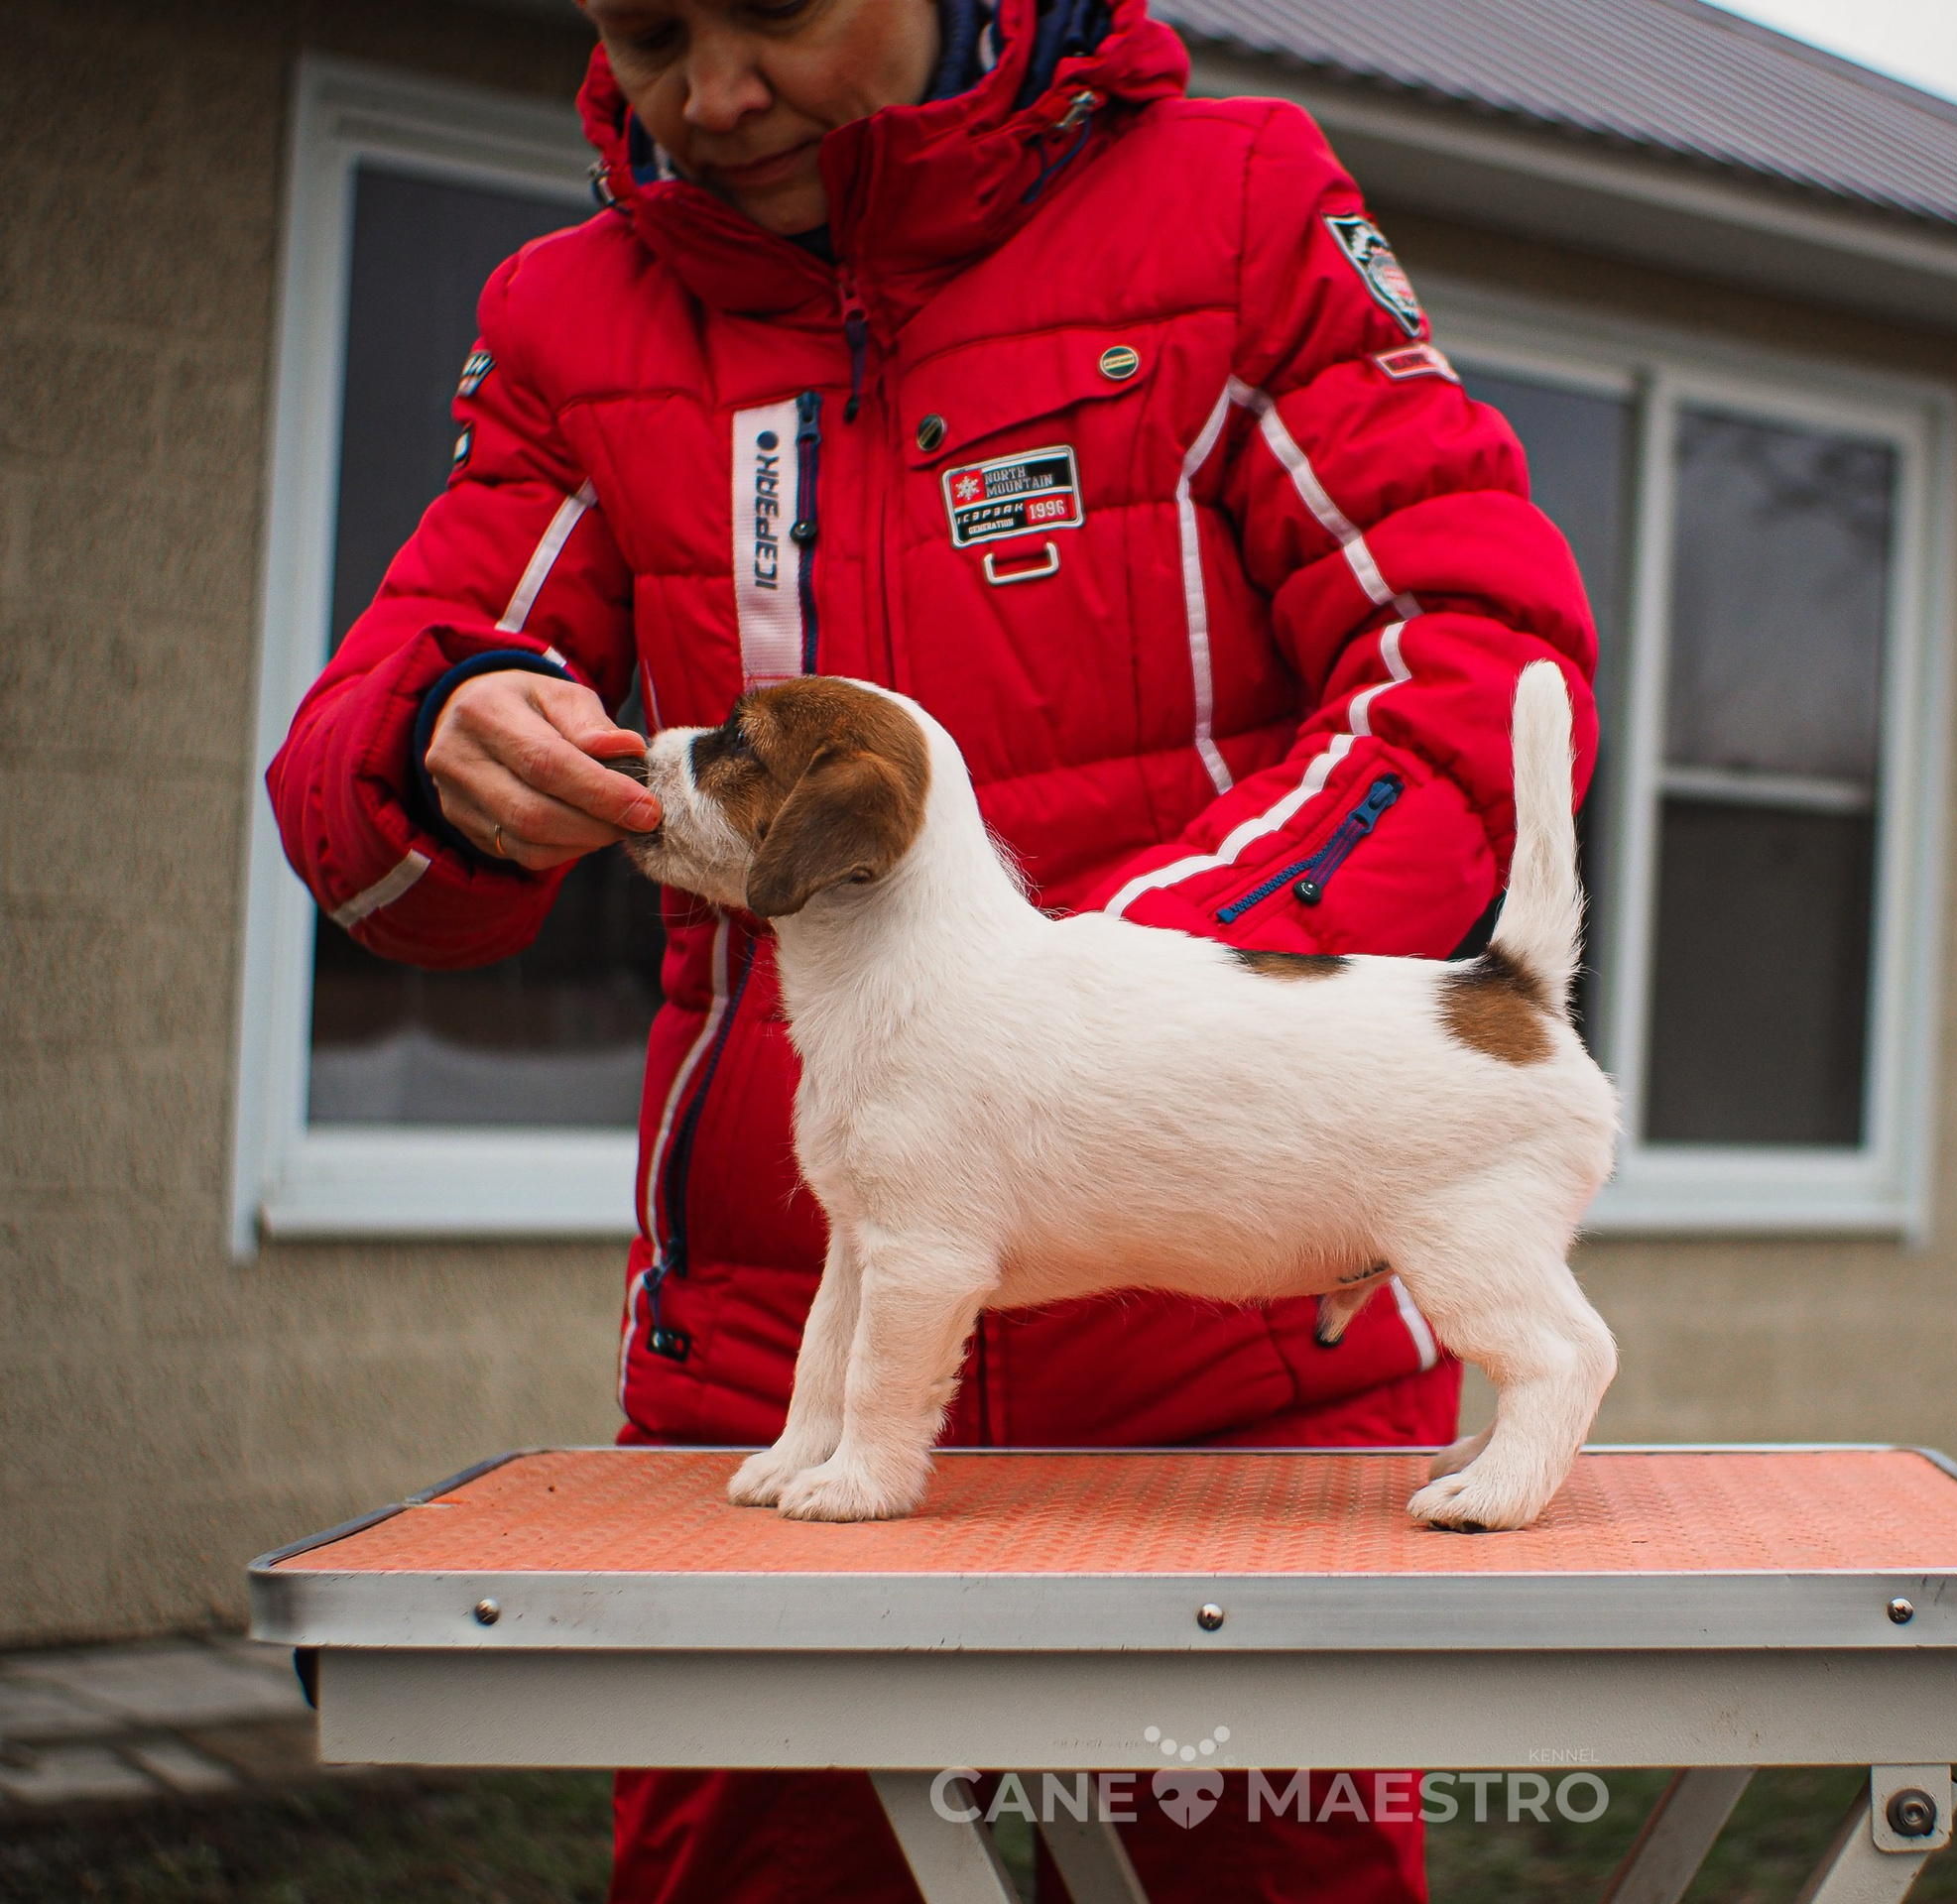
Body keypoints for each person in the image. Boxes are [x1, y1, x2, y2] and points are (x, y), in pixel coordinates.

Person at [268, 0, 1598, 1897]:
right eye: (647, 32)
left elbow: (1469, 656)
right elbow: (364, 794)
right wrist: (433, 745)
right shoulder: (569, 320)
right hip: (765, 1355)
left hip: (1230, 1378)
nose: (714, 96)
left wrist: (1117, 1035)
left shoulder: (1237, 209)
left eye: (780, 11)